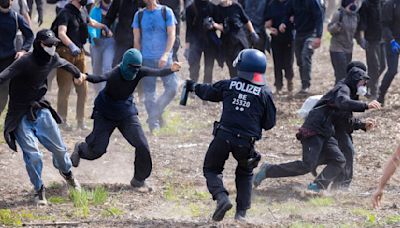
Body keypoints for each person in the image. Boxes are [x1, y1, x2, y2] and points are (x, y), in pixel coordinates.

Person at [254, 61, 381, 192]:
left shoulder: (349, 93)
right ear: (355, 79)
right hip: (314, 130)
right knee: (307, 165)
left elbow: (343, 120)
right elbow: (342, 102)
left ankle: (318, 186)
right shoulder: (342, 89)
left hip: (326, 132)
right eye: (362, 82)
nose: (364, 85)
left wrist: (362, 125)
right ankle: (268, 170)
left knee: (339, 160)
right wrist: (365, 106)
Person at [184, 49, 276, 221]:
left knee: (211, 169)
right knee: (245, 173)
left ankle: (221, 197)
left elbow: (208, 92)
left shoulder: (229, 85)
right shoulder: (264, 93)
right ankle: (241, 215)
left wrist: (193, 86)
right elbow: (269, 123)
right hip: (246, 144)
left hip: (223, 137)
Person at [70, 49, 181, 190]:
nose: (134, 70)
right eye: (131, 67)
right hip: (105, 111)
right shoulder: (116, 72)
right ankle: (80, 149)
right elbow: (100, 78)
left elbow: (157, 72)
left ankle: (139, 180)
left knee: (142, 145)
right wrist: (84, 76)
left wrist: (171, 69)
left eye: (136, 68)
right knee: (97, 150)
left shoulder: (140, 71)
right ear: (125, 64)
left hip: (125, 111)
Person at [0, 29, 84, 205]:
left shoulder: (52, 58)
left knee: (60, 150)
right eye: (49, 44)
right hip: (20, 114)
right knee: (33, 154)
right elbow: (4, 75)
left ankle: (67, 175)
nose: (53, 47)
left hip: (41, 110)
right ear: (39, 44)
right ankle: (39, 190)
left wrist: (78, 74)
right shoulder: (25, 61)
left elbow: (66, 65)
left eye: (54, 44)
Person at [51, 0, 112, 131]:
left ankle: (80, 121)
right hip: (66, 53)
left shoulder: (82, 11)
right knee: (65, 88)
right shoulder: (65, 13)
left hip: (80, 53)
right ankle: (62, 121)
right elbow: (62, 33)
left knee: (83, 89)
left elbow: (91, 22)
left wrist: (103, 27)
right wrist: (71, 45)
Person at [133, 0, 178, 132]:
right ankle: (154, 125)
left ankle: (154, 114)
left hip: (165, 60)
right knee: (149, 93)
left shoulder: (166, 12)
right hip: (146, 59)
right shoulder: (139, 15)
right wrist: (137, 58)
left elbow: (172, 35)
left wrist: (165, 54)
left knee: (172, 88)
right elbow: (136, 39)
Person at [279, 0, 325, 94]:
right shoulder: (293, 2)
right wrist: (283, 23)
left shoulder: (313, 2)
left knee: (305, 56)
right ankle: (303, 83)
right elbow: (287, 13)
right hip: (298, 33)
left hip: (311, 33)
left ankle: (305, 85)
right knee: (299, 60)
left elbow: (319, 18)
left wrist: (318, 36)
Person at [0, 0, 34, 117]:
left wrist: (23, 50)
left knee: (4, 91)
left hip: (8, 60)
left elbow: (29, 35)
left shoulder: (16, 17)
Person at [212, 0, 259, 77]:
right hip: (226, 42)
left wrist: (253, 32)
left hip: (239, 40)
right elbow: (223, 27)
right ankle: (235, 84)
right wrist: (214, 25)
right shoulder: (217, 9)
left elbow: (246, 20)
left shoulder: (236, 6)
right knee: (231, 67)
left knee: (239, 64)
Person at [185, 0, 219, 84]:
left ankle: (207, 87)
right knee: (194, 67)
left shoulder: (213, 7)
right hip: (195, 41)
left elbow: (219, 24)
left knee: (209, 67)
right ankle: (193, 87)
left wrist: (212, 25)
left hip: (210, 41)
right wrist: (187, 47)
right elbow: (188, 28)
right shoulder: (191, 8)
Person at [328, 0, 361, 84]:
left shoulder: (356, 16)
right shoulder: (339, 14)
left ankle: (339, 91)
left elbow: (356, 33)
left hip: (349, 49)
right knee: (341, 74)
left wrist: (362, 42)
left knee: (345, 73)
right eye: (352, 2)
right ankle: (340, 93)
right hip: (337, 48)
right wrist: (336, 26)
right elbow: (330, 29)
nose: (354, 5)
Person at [265, 0, 295, 94]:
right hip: (276, 38)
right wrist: (269, 28)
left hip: (289, 37)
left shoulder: (291, 3)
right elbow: (267, 22)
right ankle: (278, 86)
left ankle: (289, 79)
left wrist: (290, 22)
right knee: (277, 63)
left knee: (288, 62)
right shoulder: (271, 4)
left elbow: (296, 17)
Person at [103, 0, 144, 67]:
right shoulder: (119, 1)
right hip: (122, 40)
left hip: (141, 41)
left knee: (138, 68)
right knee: (117, 67)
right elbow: (110, 16)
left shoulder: (144, 1)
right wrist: (105, 28)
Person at [358, 0, 385, 100]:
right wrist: (361, 38)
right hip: (370, 39)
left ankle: (365, 83)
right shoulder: (366, 4)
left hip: (382, 39)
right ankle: (374, 92)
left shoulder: (383, 3)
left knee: (382, 65)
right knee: (374, 66)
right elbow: (362, 23)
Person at [88, 0, 115, 94]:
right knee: (96, 68)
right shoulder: (95, 10)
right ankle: (97, 91)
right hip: (97, 43)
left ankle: (104, 91)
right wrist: (94, 38)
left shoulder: (115, 8)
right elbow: (91, 26)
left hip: (111, 43)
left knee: (107, 67)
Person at [377, 0, 400, 106]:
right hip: (393, 42)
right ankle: (380, 95)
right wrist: (391, 40)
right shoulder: (389, 4)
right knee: (392, 70)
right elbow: (384, 26)